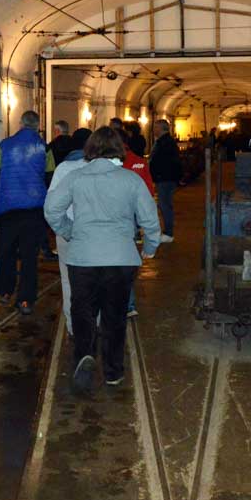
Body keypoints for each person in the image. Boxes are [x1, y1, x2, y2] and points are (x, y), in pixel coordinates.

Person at [44, 127, 161, 392]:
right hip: (120, 259)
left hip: (83, 258)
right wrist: (150, 247)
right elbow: (149, 219)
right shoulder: (131, 180)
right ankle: (112, 372)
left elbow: (51, 209)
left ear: (90, 149)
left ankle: (84, 356)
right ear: (119, 149)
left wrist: (68, 231)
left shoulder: (75, 177)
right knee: (114, 316)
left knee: (83, 312)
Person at [0, 110, 54, 315]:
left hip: (8, 210)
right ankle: (25, 300)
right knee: (29, 257)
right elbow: (51, 180)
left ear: (21, 124)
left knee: (6, 252)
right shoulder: (45, 148)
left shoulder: (5, 146)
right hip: (34, 211)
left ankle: (5, 291)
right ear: (38, 126)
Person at [47, 128, 92, 336]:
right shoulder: (99, 168)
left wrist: (63, 230)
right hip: (94, 234)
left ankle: (73, 326)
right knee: (94, 280)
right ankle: (93, 323)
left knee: (68, 280)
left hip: (68, 233)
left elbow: (51, 205)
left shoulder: (63, 168)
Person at [121, 134, 155, 319]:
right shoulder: (139, 163)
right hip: (130, 218)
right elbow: (148, 192)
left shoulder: (94, 169)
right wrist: (150, 242)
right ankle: (128, 305)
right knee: (127, 258)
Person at [149, 119, 182, 243]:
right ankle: (167, 231)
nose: (153, 130)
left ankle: (168, 233)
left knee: (165, 205)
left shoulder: (165, 143)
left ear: (161, 128)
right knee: (164, 205)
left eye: (155, 127)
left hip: (165, 179)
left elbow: (164, 162)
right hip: (164, 178)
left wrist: (157, 173)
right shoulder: (165, 141)